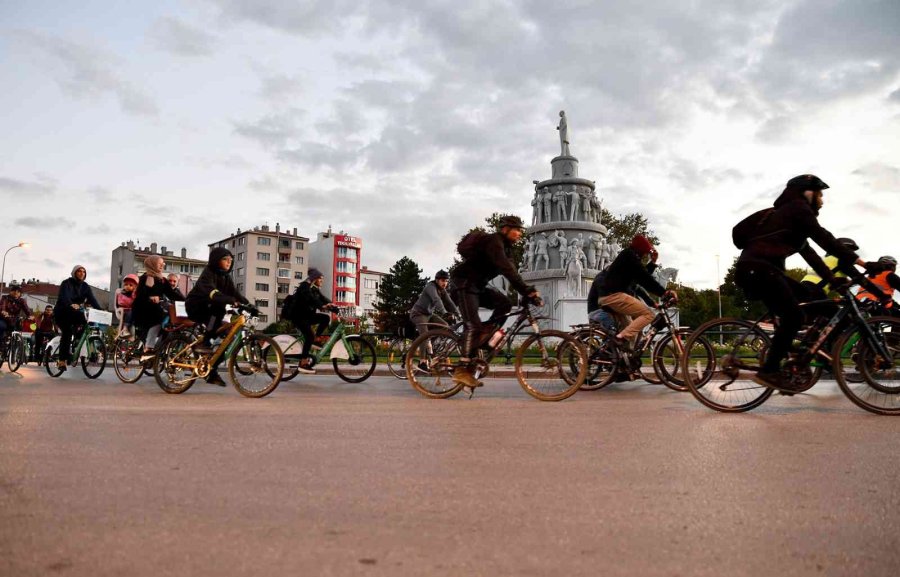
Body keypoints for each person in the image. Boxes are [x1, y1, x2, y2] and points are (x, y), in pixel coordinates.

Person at [734, 174, 871, 392]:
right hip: (758, 271)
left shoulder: (791, 221)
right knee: (794, 317)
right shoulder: (797, 209)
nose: (822, 200)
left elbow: (812, 257)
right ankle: (769, 371)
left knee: (820, 302)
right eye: (820, 194)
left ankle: (802, 354)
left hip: (763, 272)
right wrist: (863, 262)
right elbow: (824, 238)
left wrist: (833, 280)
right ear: (807, 192)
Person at [450, 215, 540, 388]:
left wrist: (528, 293)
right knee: (473, 325)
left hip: (478, 286)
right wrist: (527, 290)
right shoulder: (494, 242)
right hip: (463, 283)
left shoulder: (507, 249)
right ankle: (461, 370)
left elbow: (513, 273)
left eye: (520, 230)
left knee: (505, 304)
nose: (519, 233)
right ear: (505, 229)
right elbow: (505, 268)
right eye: (517, 230)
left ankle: (484, 338)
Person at [596, 236, 674, 353]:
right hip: (613, 295)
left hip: (609, 296)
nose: (645, 255)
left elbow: (640, 277)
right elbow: (644, 278)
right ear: (640, 249)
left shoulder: (629, 257)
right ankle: (619, 339)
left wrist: (652, 263)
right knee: (648, 315)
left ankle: (622, 362)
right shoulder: (629, 256)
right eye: (645, 252)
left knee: (631, 331)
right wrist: (664, 292)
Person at [185, 247, 250, 386]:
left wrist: (248, 305)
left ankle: (212, 370)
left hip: (213, 308)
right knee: (214, 315)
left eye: (230, 260)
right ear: (216, 260)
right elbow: (211, 291)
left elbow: (235, 293)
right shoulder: (208, 273)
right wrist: (228, 299)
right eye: (225, 259)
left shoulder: (226, 277)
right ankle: (204, 342)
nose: (228, 263)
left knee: (228, 338)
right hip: (196, 306)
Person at [133, 257, 183, 364]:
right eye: (159, 264)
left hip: (155, 308)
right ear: (152, 264)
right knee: (158, 321)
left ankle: (159, 348)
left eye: (163, 264)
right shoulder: (145, 278)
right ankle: (148, 348)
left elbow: (172, 294)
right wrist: (150, 297)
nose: (162, 266)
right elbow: (139, 295)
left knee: (167, 324)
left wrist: (188, 301)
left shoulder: (162, 280)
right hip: (142, 309)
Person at [290, 268, 338, 374]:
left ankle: (316, 339)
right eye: (320, 278)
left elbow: (323, 298)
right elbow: (312, 299)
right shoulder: (304, 287)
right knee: (309, 336)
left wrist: (334, 307)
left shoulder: (314, 289)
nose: (322, 281)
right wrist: (321, 306)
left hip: (307, 317)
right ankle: (303, 363)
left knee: (325, 318)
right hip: (299, 317)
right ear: (314, 278)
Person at [53, 265, 101, 371]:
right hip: (62, 312)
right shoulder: (66, 283)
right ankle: (62, 361)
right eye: (79, 271)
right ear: (74, 273)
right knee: (67, 332)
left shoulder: (85, 286)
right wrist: (71, 304)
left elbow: (92, 299)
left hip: (75, 313)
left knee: (85, 323)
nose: (82, 273)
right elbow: (64, 296)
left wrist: (100, 310)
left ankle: (76, 343)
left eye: (84, 272)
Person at [409, 270, 460, 336]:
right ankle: (426, 344)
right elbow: (436, 299)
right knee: (425, 336)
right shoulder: (430, 287)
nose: (445, 283)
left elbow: (450, 302)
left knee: (445, 326)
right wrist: (444, 312)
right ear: (437, 280)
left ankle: (435, 343)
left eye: (446, 281)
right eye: (443, 280)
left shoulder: (442, 290)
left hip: (429, 314)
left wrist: (458, 314)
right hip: (418, 314)